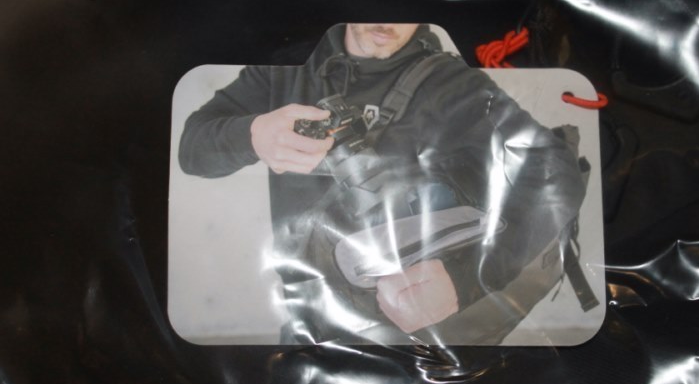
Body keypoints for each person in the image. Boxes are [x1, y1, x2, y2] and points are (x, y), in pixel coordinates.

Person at [179, 23, 585, 344]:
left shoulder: (452, 84)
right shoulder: (285, 68)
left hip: (416, 332)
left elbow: (556, 172)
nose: (388, 20)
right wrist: (252, 135)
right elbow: (191, 149)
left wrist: (468, 280)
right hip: (309, 326)